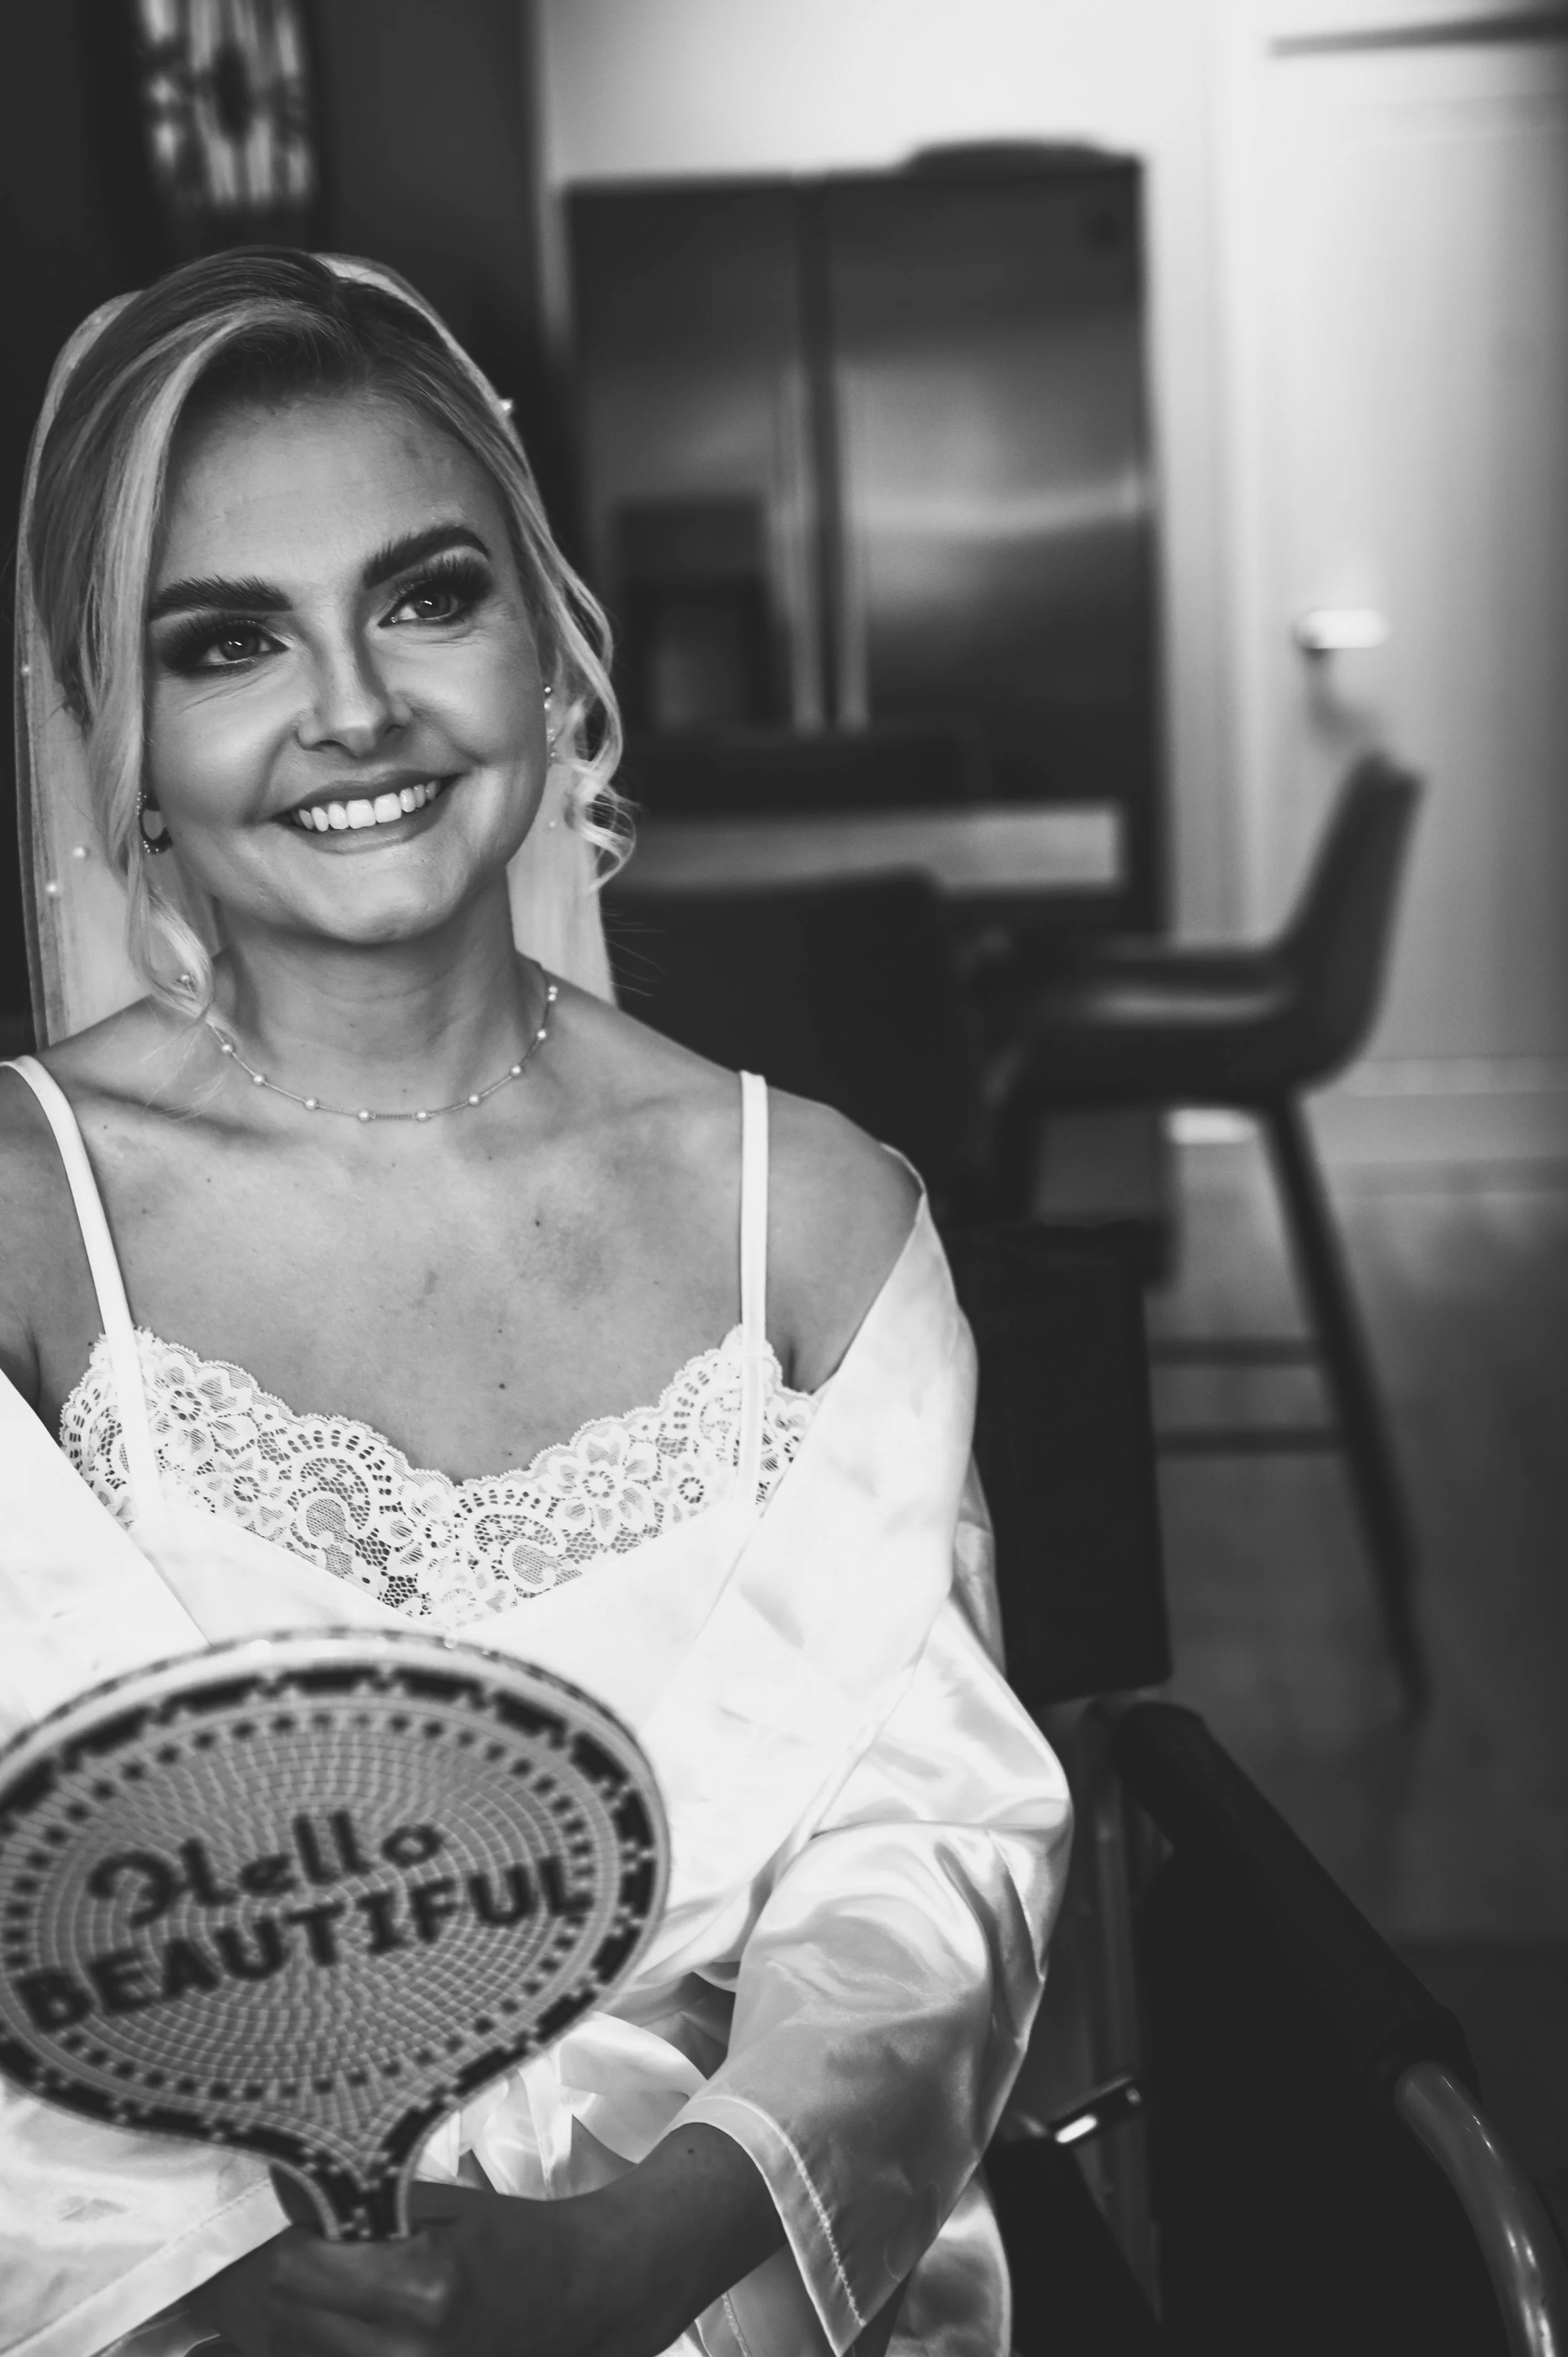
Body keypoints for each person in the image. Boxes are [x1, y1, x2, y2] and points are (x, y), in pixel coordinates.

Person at [0, 250, 1072, 2357]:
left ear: (547, 648)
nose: (355, 711)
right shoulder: (31, 1230)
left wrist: (627, 2257)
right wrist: (203, 2308)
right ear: (115, 742)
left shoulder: (814, 1217)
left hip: (723, 2279)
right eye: (227, 640)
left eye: (424, 595)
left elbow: (921, 1857)